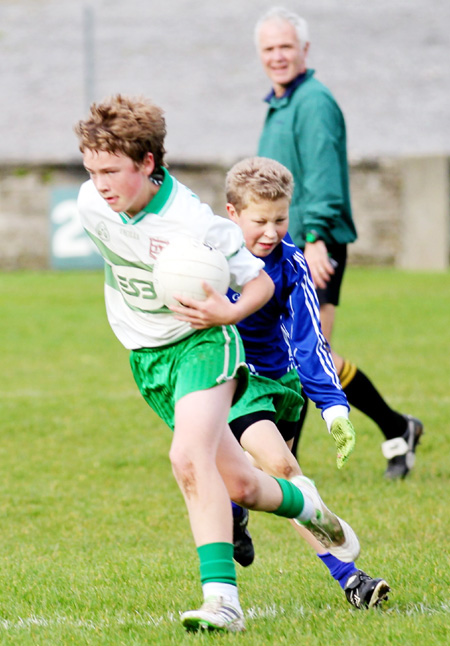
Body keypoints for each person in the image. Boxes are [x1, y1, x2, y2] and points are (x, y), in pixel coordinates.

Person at [74, 94, 360, 633]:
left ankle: (222, 601)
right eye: (91, 170)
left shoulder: (196, 224)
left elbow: (260, 280)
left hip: (204, 345)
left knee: (187, 457)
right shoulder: (93, 203)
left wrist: (225, 310)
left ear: (148, 163)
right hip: (147, 359)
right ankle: (308, 507)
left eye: (112, 170)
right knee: (243, 487)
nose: (100, 183)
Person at [254, 7, 423, 479]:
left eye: (286, 46)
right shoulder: (282, 103)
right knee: (303, 351)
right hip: (284, 246)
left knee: (311, 353)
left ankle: (289, 463)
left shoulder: (314, 102)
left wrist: (316, 237)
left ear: (304, 49)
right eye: (268, 49)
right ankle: (396, 427)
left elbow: (324, 176)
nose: (277, 56)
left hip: (313, 243)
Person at [225, 156, 390, 609]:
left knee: (273, 487)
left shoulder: (293, 265)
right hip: (237, 384)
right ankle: (351, 579)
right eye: (259, 220)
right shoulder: (209, 259)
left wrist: (334, 408)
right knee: (286, 473)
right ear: (232, 213)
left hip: (285, 389)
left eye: (280, 219)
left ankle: (235, 512)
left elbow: (311, 343)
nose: (271, 231)